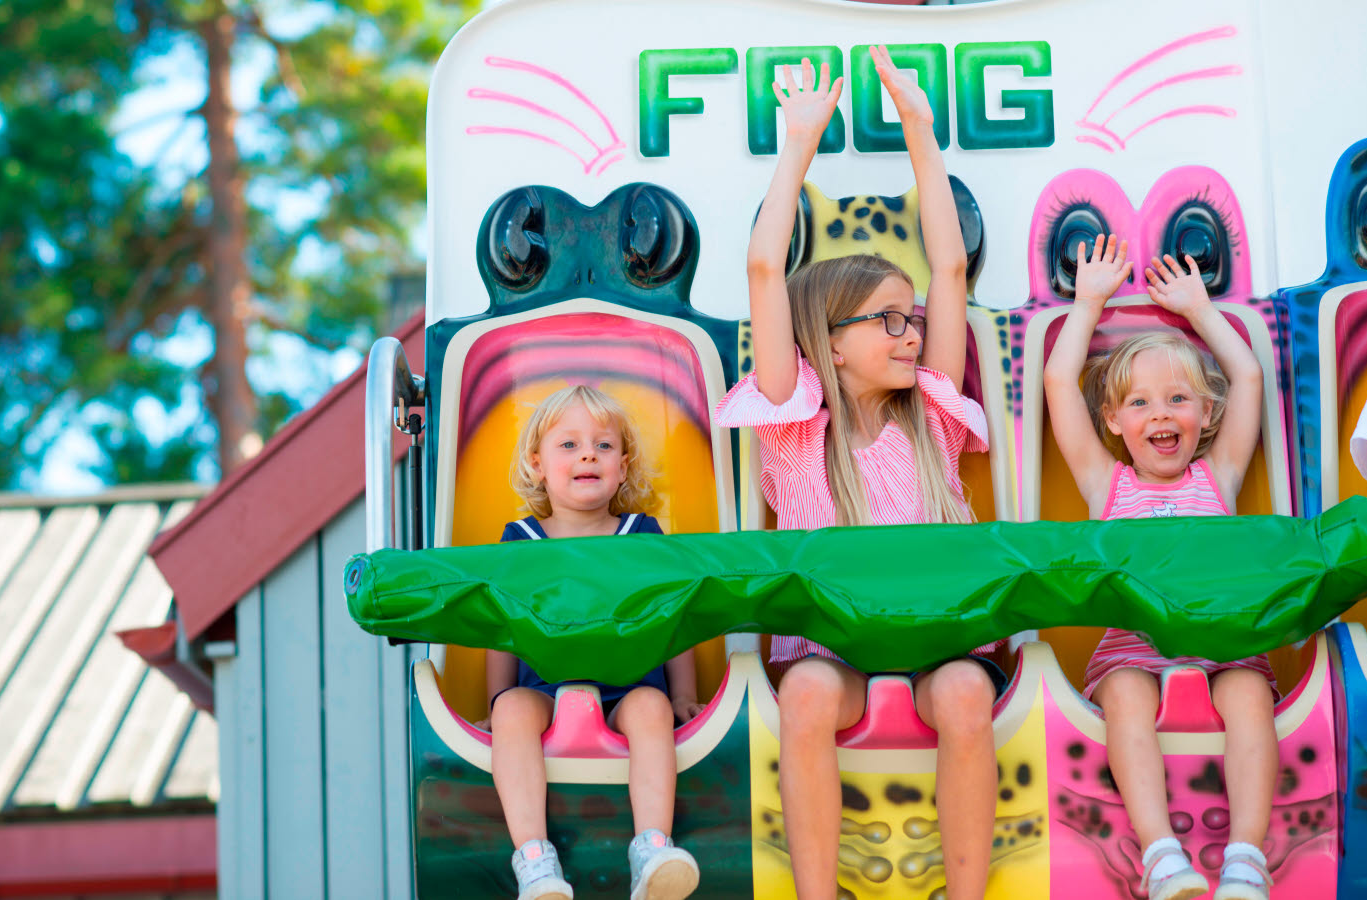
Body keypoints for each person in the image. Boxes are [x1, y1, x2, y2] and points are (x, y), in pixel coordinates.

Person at [713, 47, 999, 900]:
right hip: (832, 642)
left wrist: (921, 130)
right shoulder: (796, 420)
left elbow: (951, 268)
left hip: (938, 631)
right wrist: (797, 146)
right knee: (804, 696)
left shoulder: (933, 415)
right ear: (830, 340)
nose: (910, 334)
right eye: (887, 322)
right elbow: (767, 268)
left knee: (962, 698)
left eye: (910, 321)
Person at [1043, 235, 1278, 900]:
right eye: (1140, 404)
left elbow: (1250, 377)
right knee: (1124, 698)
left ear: (1206, 415)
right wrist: (1087, 303)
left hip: (1223, 639)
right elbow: (1060, 382)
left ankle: (1245, 859)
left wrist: (1201, 311)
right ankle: (1161, 855)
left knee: (1250, 698)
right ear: (1114, 421)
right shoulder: (1106, 485)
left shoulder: (1218, 474)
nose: (1160, 415)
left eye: (1178, 399)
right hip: (1132, 646)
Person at [480, 384, 703, 900]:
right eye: (569, 445)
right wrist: (493, 702)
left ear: (622, 467)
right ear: (537, 464)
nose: (587, 454)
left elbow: (673, 622)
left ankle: (651, 847)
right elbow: (501, 630)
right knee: (513, 711)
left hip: (628, 687)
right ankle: (535, 862)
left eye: (603, 446)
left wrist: (683, 696)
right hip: (544, 689)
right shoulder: (521, 541)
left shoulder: (641, 534)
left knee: (653, 709)